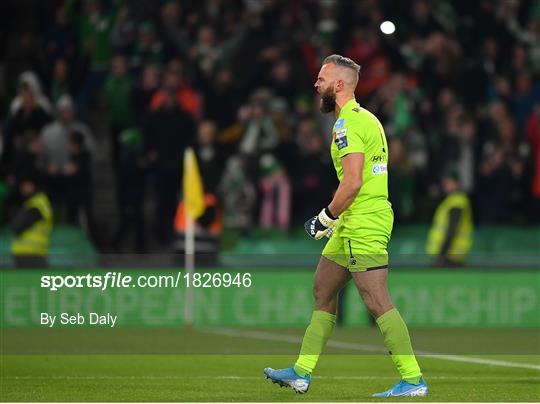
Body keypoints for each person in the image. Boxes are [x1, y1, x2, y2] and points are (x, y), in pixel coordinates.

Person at [264, 55, 428, 397]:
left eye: (322, 78)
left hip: (362, 221)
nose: (316, 84)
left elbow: (352, 183)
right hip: (356, 219)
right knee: (323, 289)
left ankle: (413, 380)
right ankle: (301, 372)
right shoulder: (365, 119)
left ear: (339, 85)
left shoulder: (347, 125)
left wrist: (325, 217)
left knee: (376, 300)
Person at [426, 172, 473, 267]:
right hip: (449, 255)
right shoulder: (450, 201)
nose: (446, 186)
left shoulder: (457, 202)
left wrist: (442, 254)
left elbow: (452, 230)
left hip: (451, 255)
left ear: (457, 183)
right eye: (445, 183)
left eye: (449, 183)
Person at [10, 175, 53, 268]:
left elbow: (17, 227)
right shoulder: (41, 202)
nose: (23, 189)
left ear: (33, 186)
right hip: (36, 253)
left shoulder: (36, 205)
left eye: (25, 185)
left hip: (28, 254)